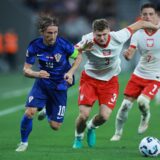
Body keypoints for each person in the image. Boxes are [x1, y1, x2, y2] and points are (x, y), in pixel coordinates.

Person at [72, 16, 160, 149]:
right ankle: (78, 137)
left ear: (109, 31)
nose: (102, 38)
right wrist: (82, 48)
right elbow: (71, 53)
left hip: (110, 81)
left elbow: (140, 23)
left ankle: (91, 127)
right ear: (93, 33)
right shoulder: (87, 39)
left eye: (104, 34)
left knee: (104, 117)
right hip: (90, 80)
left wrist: (156, 27)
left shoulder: (118, 36)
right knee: (83, 115)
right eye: (98, 35)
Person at [15, 14, 82, 152]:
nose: (53, 36)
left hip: (60, 85)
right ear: (42, 32)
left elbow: (79, 56)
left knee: (55, 126)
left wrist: (70, 73)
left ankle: (46, 108)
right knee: (29, 112)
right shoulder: (34, 46)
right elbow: (26, 70)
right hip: (43, 83)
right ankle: (23, 142)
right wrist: (36, 74)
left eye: (55, 32)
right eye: (49, 33)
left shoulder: (63, 44)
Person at [110, 3, 160, 141]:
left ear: (157, 15)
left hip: (156, 76)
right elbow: (130, 53)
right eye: (145, 14)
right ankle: (118, 133)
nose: (148, 17)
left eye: (151, 14)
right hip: (139, 74)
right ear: (141, 16)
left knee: (143, 101)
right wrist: (127, 55)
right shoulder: (138, 33)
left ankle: (145, 116)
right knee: (124, 107)